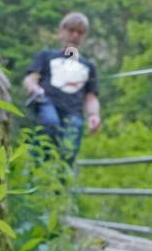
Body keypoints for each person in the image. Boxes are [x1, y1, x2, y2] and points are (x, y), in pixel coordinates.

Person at [23, 12, 101, 163]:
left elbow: (91, 97)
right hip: (47, 104)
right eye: (71, 30)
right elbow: (30, 78)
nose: (75, 35)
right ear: (62, 32)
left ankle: (60, 182)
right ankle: (37, 170)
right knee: (49, 124)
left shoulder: (89, 66)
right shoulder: (46, 56)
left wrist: (93, 115)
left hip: (74, 113)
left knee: (69, 149)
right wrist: (34, 88)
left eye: (80, 32)